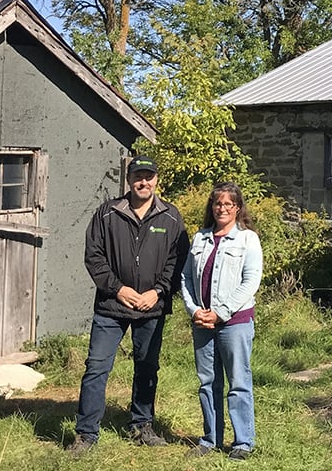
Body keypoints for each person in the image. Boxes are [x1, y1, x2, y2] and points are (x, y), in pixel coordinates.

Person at [69, 156, 189, 455]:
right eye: (138, 176)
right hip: (112, 306)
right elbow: (94, 255)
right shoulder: (107, 213)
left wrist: (159, 291)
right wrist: (118, 288)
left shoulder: (171, 217)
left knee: (147, 367)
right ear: (129, 178)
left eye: (149, 176)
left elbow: (178, 262)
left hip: (151, 306)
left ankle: (141, 425)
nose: (143, 181)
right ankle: (86, 435)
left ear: (157, 179)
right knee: (96, 367)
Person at [181, 182, 264, 460]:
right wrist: (194, 310)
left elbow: (250, 281)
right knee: (208, 382)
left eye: (229, 203)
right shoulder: (200, 238)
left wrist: (222, 312)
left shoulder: (247, 239)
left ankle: (242, 442)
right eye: (218, 203)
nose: (223, 208)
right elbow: (186, 278)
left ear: (238, 207)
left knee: (238, 381)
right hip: (202, 322)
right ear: (212, 206)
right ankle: (210, 439)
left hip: (235, 323)